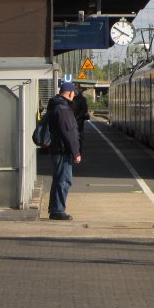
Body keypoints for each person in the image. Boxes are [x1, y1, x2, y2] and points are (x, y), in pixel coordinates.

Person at [47, 81, 82, 221]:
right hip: (62, 150)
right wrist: (76, 152)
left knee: (59, 179)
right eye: (74, 93)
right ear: (70, 93)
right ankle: (58, 210)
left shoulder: (57, 106)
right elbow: (69, 132)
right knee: (63, 180)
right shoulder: (63, 109)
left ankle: (55, 209)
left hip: (58, 148)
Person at [71, 84, 90, 153]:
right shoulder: (69, 98)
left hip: (79, 122)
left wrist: (78, 117)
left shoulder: (82, 99)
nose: (75, 90)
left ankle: (78, 151)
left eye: (76, 88)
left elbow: (84, 110)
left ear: (79, 89)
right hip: (72, 121)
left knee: (78, 137)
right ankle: (75, 151)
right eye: (74, 88)